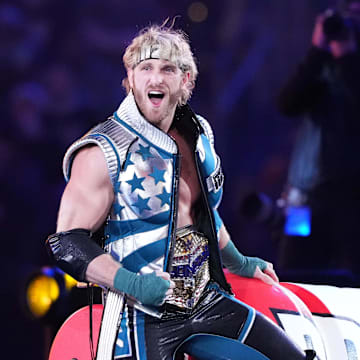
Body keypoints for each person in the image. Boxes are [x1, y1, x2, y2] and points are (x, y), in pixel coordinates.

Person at [46, 22, 316, 359]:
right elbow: (68, 242)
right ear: (130, 78)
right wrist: (134, 284)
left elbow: (200, 211)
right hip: (140, 318)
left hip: (206, 300)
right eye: (145, 68)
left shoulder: (198, 132)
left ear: (185, 80)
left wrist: (238, 260)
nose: (156, 78)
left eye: (167, 69)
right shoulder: (104, 150)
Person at [277, 0, 360, 275]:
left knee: (350, 277)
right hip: (306, 193)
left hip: (350, 199)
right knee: (295, 276)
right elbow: (287, 103)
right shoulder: (324, 66)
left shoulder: (348, 66)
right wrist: (317, 51)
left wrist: (348, 57)